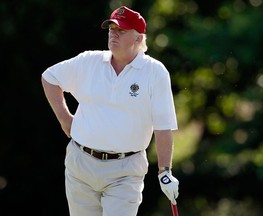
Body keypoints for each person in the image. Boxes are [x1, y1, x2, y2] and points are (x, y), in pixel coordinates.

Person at [41, 5, 179, 216]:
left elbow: (163, 127)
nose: (114, 34)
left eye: (121, 30)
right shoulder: (89, 61)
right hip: (81, 164)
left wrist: (164, 171)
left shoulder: (155, 72)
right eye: (111, 29)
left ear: (138, 38)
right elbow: (50, 78)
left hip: (125, 171)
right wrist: (64, 118)